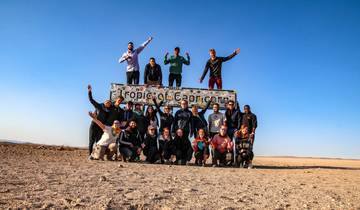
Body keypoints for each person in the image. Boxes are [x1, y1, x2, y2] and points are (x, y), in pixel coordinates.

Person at [87, 85, 112, 157]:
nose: (108, 103)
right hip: (94, 125)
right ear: (104, 102)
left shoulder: (109, 111)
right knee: (91, 140)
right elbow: (91, 100)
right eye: (107, 102)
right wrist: (89, 91)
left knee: (98, 141)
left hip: (100, 127)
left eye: (109, 103)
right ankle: (90, 155)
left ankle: (96, 154)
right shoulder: (99, 106)